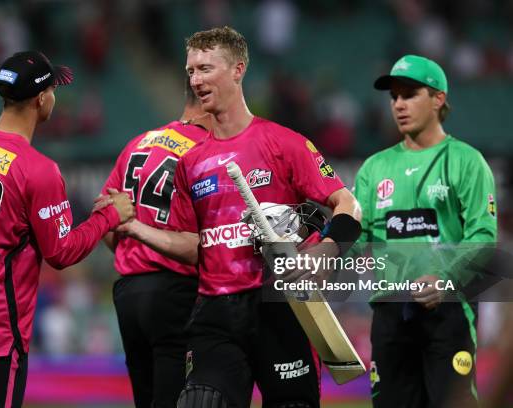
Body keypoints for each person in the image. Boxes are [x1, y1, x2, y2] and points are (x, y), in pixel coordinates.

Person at [117, 26, 361, 407]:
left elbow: (348, 204)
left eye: (206, 68)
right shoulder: (191, 162)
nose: (196, 80)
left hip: (278, 308)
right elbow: (192, 245)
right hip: (214, 314)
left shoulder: (284, 143)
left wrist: (328, 249)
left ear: (238, 69)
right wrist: (134, 227)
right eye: (191, 70)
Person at [0, 51, 134, 408]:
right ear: (42, 99)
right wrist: (110, 216)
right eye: (54, 90)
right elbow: (61, 252)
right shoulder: (38, 170)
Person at [354, 54, 497, 408]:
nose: (399, 104)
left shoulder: (466, 161)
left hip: (447, 311)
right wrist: (320, 257)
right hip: (390, 313)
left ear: (438, 98)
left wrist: (445, 278)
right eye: (395, 97)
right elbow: (358, 236)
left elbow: (483, 236)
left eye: (410, 94)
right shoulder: (374, 168)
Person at [101, 79, 210, 407]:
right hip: (176, 290)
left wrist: (137, 244)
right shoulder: (206, 148)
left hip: (129, 292)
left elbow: (107, 228)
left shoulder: (139, 143)